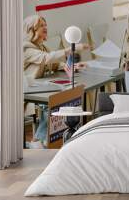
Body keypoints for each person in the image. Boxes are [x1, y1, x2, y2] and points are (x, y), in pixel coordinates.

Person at [23, 14, 89, 148]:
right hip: (27, 90)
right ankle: (40, 142)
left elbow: (52, 63)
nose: (45, 27)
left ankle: (40, 141)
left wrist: (72, 66)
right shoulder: (25, 48)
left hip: (40, 88)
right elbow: (45, 58)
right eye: (41, 25)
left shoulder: (42, 46)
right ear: (32, 30)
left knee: (59, 100)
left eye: (45, 25)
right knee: (50, 105)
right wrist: (70, 49)